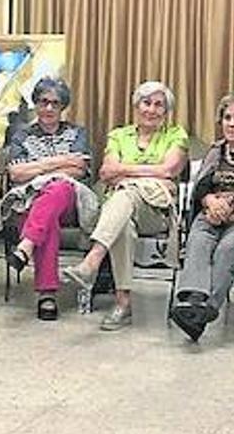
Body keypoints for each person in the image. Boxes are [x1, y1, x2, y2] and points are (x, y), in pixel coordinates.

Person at [63, 81, 190, 330]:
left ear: (166, 111)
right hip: (122, 210)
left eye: (158, 105)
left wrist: (125, 171)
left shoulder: (176, 134)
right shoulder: (118, 135)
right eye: (146, 103)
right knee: (123, 219)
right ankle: (123, 303)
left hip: (156, 211)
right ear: (136, 106)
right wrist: (150, 173)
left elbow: (170, 169)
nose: (151, 110)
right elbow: (106, 171)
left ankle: (92, 261)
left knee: (123, 192)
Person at [0, 77, 96, 320]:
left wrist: (40, 167)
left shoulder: (77, 133)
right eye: (44, 102)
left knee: (59, 188)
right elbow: (16, 173)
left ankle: (26, 248)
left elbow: (80, 170)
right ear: (35, 104)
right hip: (28, 199)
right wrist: (59, 163)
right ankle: (47, 295)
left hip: (70, 203)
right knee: (47, 216)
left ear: (63, 107)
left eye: (55, 103)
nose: (49, 108)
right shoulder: (21, 135)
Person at [169, 93, 234, 341]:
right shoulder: (215, 151)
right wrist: (210, 202)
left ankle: (207, 307)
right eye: (227, 117)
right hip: (211, 214)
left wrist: (227, 208)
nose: (232, 124)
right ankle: (194, 300)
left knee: (227, 248)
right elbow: (201, 188)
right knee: (198, 239)